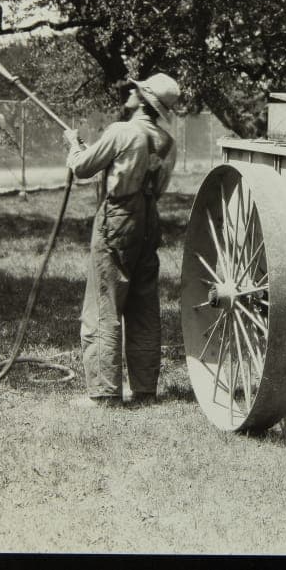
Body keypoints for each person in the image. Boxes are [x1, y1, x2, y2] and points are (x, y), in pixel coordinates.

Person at [63, 73, 180, 407]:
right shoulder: (165, 141)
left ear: (144, 100)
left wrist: (74, 144)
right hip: (148, 220)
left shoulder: (121, 131)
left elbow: (82, 168)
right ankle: (144, 391)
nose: (130, 91)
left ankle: (104, 395)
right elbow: (150, 179)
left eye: (137, 90)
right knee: (144, 305)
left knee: (104, 303)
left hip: (118, 217)